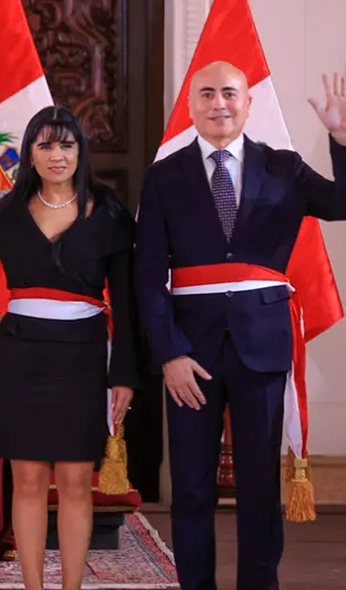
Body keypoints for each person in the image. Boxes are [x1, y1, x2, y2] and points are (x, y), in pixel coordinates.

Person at [135, 62, 346, 590]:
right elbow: (146, 276)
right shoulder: (164, 176)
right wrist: (169, 353)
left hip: (263, 347)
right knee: (191, 489)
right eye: (207, 94)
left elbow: (342, 203)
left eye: (230, 93)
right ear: (191, 106)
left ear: (248, 104)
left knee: (257, 487)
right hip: (190, 356)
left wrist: (341, 137)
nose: (219, 103)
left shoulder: (285, 167)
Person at [0, 106, 139, 590]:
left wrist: (124, 374)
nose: (57, 154)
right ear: (30, 154)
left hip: (84, 358)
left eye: (66, 144)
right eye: (45, 145)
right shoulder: (7, 211)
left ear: (80, 151)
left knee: (72, 482)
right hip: (22, 358)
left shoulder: (109, 212)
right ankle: (32, 586)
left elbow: (127, 305)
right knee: (26, 480)